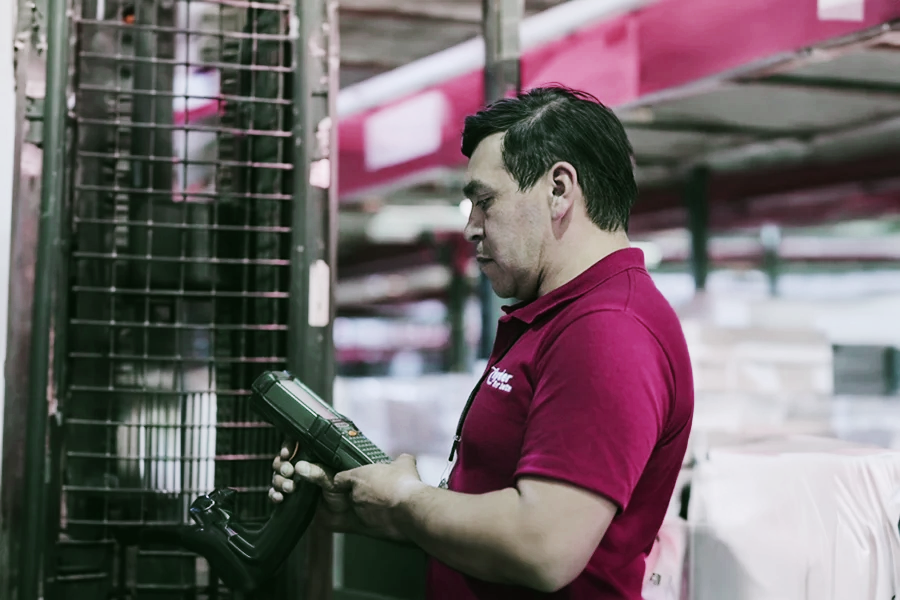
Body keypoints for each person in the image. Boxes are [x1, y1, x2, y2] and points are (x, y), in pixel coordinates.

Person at [269, 85, 694, 599]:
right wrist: (379, 509)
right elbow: (496, 516)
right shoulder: (559, 319)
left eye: (484, 201)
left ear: (559, 189)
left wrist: (406, 497)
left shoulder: (608, 330)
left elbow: (543, 546)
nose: (470, 227)